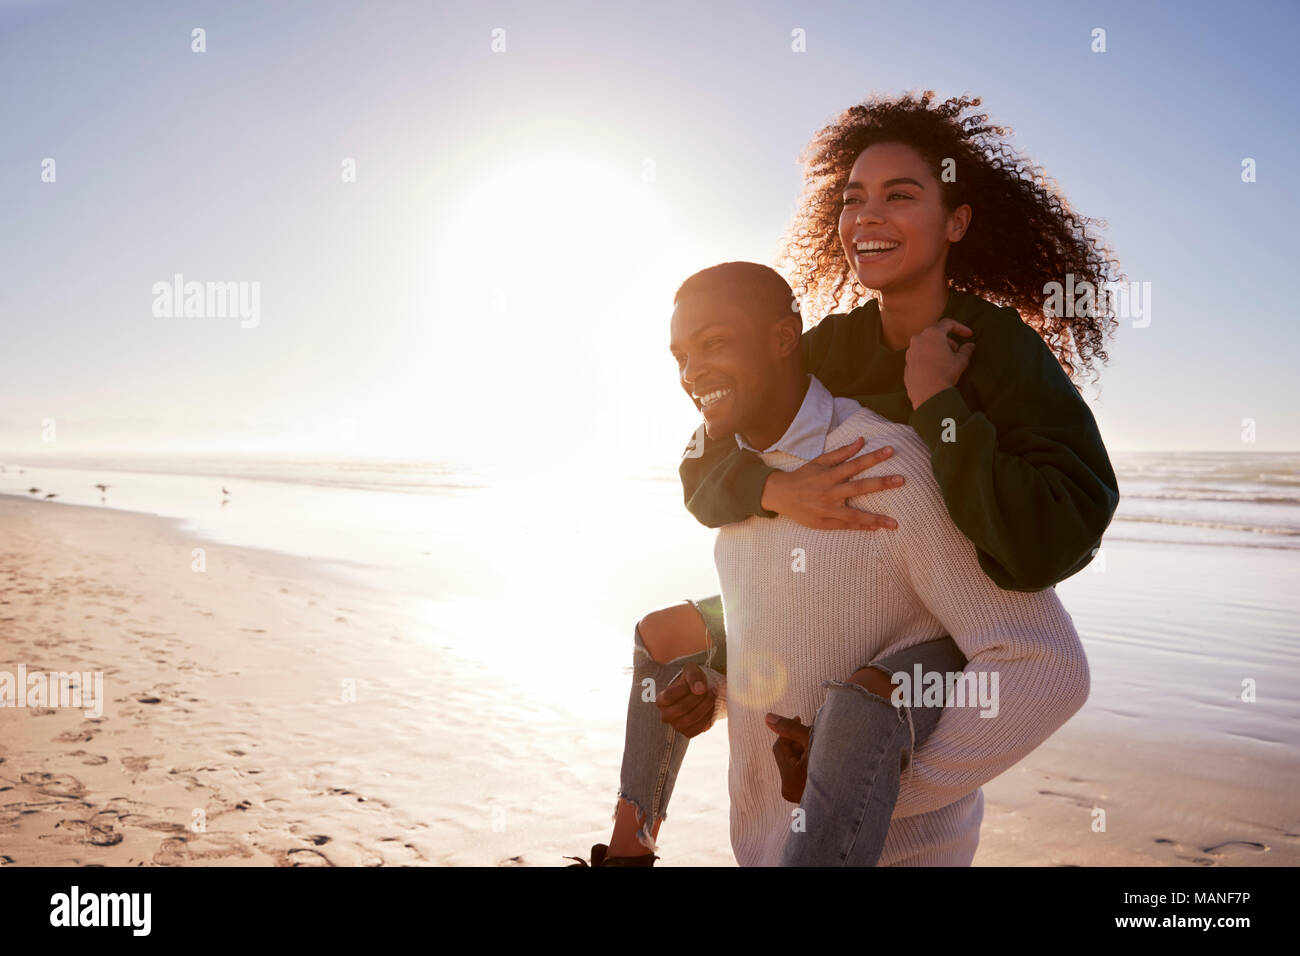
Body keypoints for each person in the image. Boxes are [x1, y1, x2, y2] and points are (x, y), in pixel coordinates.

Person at [569, 91, 1119, 865]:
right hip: (863, 596)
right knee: (666, 638)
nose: (868, 215)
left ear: (955, 221)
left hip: (996, 565)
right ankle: (631, 843)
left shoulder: (998, 355)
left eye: (901, 195)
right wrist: (771, 491)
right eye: (854, 198)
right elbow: (719, 437)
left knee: (868, 702)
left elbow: (1048, 545)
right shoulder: (831, 350)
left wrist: (940, 402)